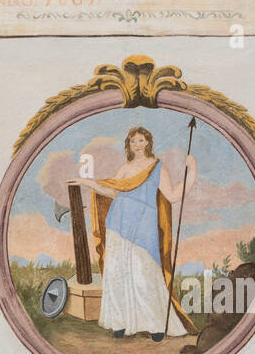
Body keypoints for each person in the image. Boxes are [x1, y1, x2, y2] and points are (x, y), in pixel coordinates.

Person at [69, 126, 196, 342]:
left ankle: (155, 326)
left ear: (148, 142)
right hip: (118, 224)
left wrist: (192, 170)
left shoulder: (157, 168)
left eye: (140, 140)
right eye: (132, 141)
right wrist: (85, 182)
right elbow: (112, 191)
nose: (137, 145)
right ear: (128, 145)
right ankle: (120, 323)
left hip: (144, 226)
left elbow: (173, 196)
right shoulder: (125, 168)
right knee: (117, 273)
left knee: (144, 275)